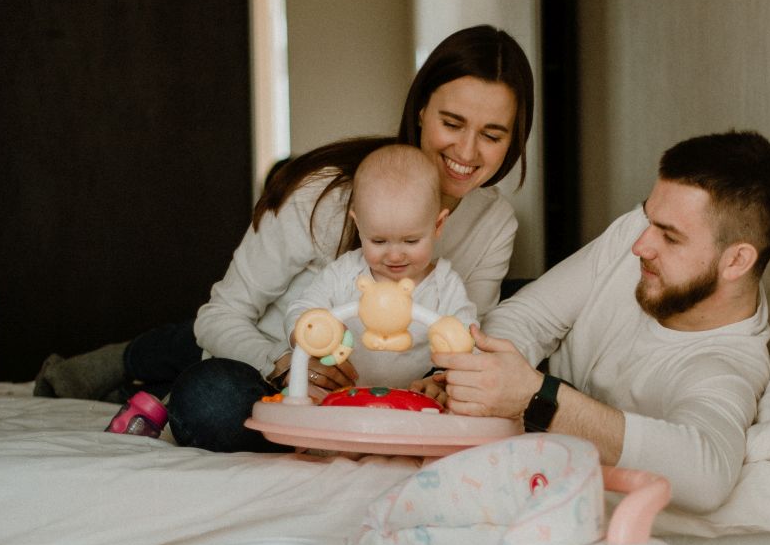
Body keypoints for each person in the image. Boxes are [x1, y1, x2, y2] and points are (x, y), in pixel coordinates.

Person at [35, 25, 533, 450]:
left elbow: (468, 337)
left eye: (492, 135)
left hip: (385, 393)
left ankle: (154, 378)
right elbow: (222, 313)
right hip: (273, 366)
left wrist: (445, 383)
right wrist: (281, 365)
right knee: (213, 398)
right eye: (452, 123)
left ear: (514, 139)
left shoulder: (494, 224)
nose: (466, 151)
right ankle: (124, 363)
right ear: (421, 110)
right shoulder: (325, 196)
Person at [435, 130, 770, 514]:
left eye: (671, 238)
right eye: (650, 219)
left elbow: (707, 477)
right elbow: (528, 315)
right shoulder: (639, 235)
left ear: (737, 261)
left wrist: (536, 396)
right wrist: (479, 378)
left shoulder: (723, 365)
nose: (640, 246)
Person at [283, 143, 476, 391]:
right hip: (342, 401)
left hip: (415, 409)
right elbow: (302, 309)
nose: (394, 255)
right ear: (359, 224)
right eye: (379, 241)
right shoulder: (344, 273)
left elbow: (467, 342)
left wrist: (441, 379)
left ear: (438, 225)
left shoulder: (445, 285)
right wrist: (310, 331)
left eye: (411, 241)